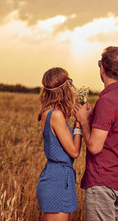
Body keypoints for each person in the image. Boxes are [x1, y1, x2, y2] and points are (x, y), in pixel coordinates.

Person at [74, 46, 118, 221]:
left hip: (102, 183)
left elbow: (94, 146)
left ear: (101, 68)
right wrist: (93, 116)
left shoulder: (106, 101)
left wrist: (84, 121)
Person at [36, 67, 82, 221]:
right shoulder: (55, 115)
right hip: (57, 179)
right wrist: (79, 126)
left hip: (56, 176)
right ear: (64, 89)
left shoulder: (49, 112)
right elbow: (74, 152)